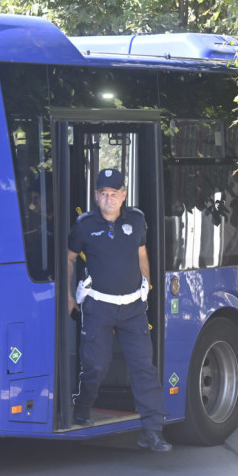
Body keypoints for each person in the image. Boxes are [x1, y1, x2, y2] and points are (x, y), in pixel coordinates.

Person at [67, 168, 171, 452]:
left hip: (132, 309)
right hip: (98, 306)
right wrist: (67, 294)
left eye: (114, 194)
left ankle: (152, 432)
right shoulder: (84, 224)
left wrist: (147, 283)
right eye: (103, 194)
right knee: (96, 366)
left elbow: (141, 252)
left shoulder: (136, 220)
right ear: (95, 196)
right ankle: (83, 407)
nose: (108, 198)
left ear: (123, 195)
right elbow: (69, 257)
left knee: (144, 369)